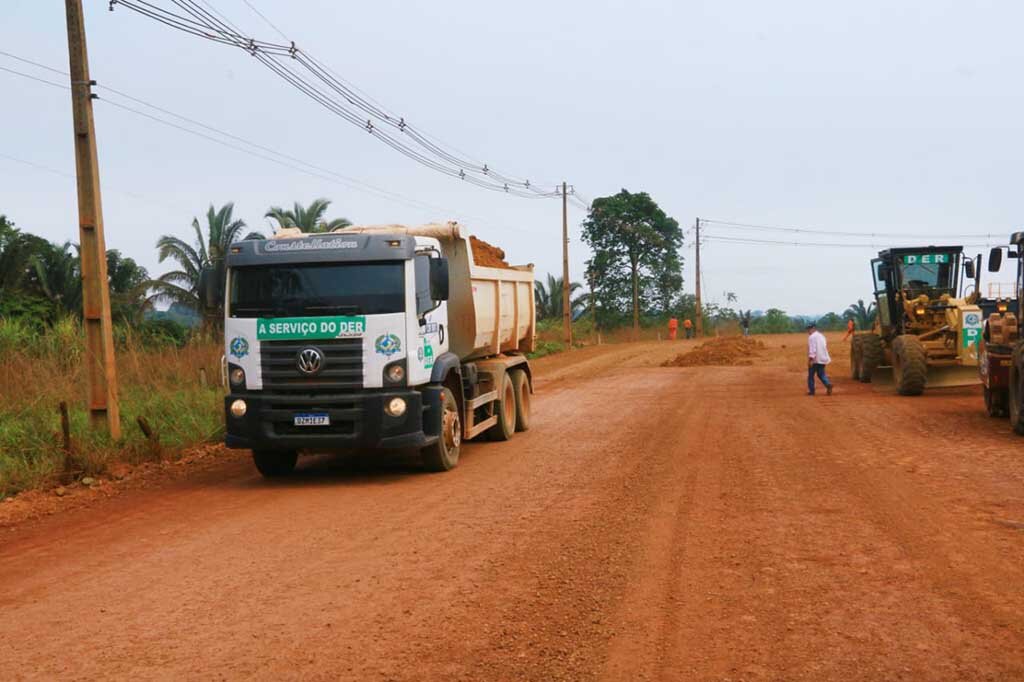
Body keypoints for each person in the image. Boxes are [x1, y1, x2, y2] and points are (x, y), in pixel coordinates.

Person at [807, 322, 833, 396]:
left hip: (815, 359)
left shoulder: (811, 337)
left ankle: (812, 391)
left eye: (809, 329)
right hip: (823, 358)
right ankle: (828, 384)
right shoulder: (822, 336)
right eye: (808, 329)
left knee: (811, 375)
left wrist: (811, 359)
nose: (808, 330)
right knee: (821, 374)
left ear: (814, 328)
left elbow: (813, 349)